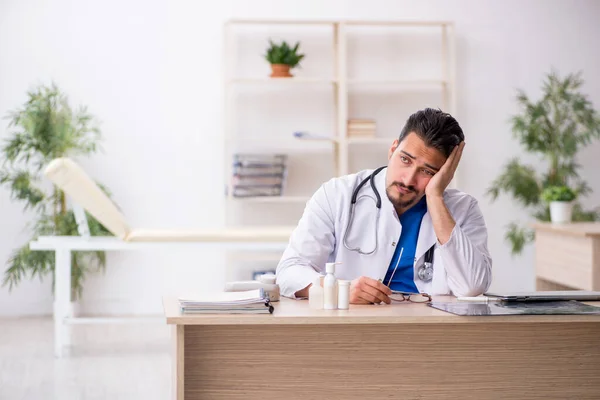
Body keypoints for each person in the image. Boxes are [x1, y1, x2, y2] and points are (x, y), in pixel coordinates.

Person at [275, 108, 492, 304]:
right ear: (393, 149)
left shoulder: (463, 210)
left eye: (427, 171)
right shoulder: (337, 194)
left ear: (445, 174)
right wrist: (340, 290)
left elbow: (472, 287)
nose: (408, 180)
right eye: (405, 160)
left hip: (431, 332)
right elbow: (289, 272)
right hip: (355, 327)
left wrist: (435, 197)